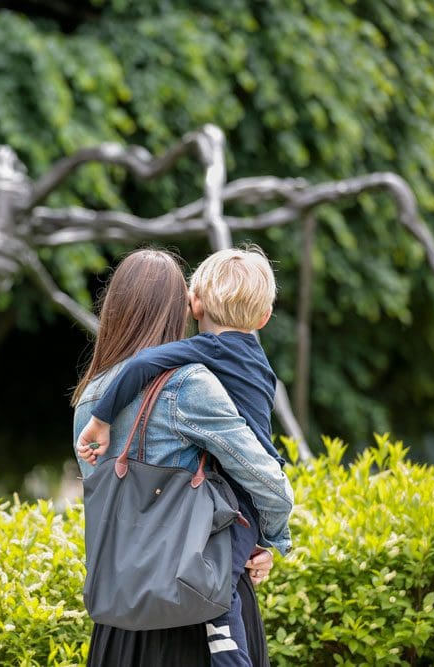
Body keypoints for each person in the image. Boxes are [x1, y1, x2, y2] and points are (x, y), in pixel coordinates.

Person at [72, 248, 292, 666]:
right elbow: (264, 476)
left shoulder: (92, 396)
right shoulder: (190, 384)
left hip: (119, 613)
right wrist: (269, 538)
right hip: (195, 602)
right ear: (183, 306)